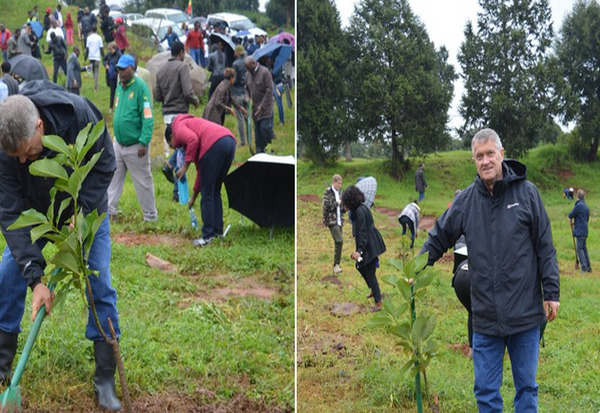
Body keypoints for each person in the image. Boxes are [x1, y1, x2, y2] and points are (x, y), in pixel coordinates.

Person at [0, 82, 121, 411]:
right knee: (8, 275)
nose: (23, 161)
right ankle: (2, 365)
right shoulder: (7, 146)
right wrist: (36, 280)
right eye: (16, 156)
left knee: (99, 282)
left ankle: (105, 378)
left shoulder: (78, 116)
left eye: (28, 152)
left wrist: (82, 211)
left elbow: (105, 164)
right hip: (37, 214)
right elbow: (11, 213)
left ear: (40, 126)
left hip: (84, 209)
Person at [420, 128, 560, 412]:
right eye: (479, 156)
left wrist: (551, 291)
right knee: (485, 392)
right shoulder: (466, 201)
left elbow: (545, 245)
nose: (485, 161)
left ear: (501, 154)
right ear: (474, 160)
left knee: (527, 389)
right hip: (485, 317)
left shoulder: (527, 193)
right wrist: (416, 268)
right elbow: (439, 236)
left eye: (490, 154)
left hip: (524, 314)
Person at [165, 115, 236, 246]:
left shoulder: (177, 128)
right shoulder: (193, 129)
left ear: (172, 137)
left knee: (208, 193)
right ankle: (217, 233)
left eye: (172, 146)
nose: (176, 149)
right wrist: (193, 197)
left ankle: (207, 236)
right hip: (229, 141)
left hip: (214, 143)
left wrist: (185, 166)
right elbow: (201, 173)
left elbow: (193, 139)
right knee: (214, 190)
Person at [107, 54, 157, 222]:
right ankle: (110, 211)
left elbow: (147, 116)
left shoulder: (140, 87)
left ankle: (150, 216)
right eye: (118, 69)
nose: (120, 72)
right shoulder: (120, 87)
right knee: (113, 177)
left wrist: (144, 141)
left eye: (123, 69)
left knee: (143, 181)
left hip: (136, 145)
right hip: (118, 143)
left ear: (132, 69)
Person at [154, 40, 199, 199]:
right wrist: (195, 101)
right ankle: (177, 191)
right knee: (182, 150)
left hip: (167, 114)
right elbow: (187, 91)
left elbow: (157, 96)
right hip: (180, 113)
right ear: (181, 53)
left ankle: (170, 167)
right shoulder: (182, 67)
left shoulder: (161, 70)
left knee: (180, 149)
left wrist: (168, 98)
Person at [342, 185, 386, 310]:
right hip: (369, 242)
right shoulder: (362, 208)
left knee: (370, 272)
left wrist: (360, 251)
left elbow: (363, 232)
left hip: (369, 244)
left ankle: (378, 301)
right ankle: (373, 289)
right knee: (360, 266)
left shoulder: (360, 212)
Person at [244, 56, 274, 154]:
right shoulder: (248, 74)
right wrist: (247, 97)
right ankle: (259, 153)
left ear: (254, 64)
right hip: (255, 108)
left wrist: (262, 106)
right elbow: (246, 88)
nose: (248, 70)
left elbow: (269, 90)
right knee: (257, 133)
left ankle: (269, 150)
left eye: (248, 68)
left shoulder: (265, 72)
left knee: (264, 129)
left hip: (265, 107)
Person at [322, 174, 345, 275]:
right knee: (339, 240)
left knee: (338, 242)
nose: (340, 185)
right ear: (334, 182)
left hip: (339, 220)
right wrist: (337, 203)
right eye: (339, 183)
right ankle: (336, 265)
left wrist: (345, 206)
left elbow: (342, 208)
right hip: (331, 221)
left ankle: (336, 265)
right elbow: (326, 206)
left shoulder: (340, 193)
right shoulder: (327, 192)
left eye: (341, 183)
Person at [569, 189, 591, 273]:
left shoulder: (578, 206)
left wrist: (574, 222)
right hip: (585, 230)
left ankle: (584, 268)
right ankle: (588, 267)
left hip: (580, 231)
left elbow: (570, 215)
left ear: (577, 196)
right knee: (584, 248)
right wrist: (576, 223)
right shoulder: (586, 206)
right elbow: (586, 219)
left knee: (579, 249)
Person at [231, 45, 248, 146]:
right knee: (247, 116)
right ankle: (249, 138)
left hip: (237, 92)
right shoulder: (247, 62)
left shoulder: (235, 64)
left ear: (237, 53)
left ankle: (242, 141)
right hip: (246, 92)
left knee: (240, 117)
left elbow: (235, 79)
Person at [85, 25, 104, 93]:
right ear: (96, 30)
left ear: (91, 30)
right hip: (97, 57)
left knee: (93, 70)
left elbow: (87, 49)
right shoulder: (99, 38)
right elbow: (101, 48)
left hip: (91, 56)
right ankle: (95, 86)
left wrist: (85, 57)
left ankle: (95, 84)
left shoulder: (88, 38)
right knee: (96, 71)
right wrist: (104, 56)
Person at [103, 42, 120, 110]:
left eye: (111, 49)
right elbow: (103, 60)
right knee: (112, 92)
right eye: (109, 50)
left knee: (118, 92)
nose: (110, 51)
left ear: (114, 48)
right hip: (111, 76)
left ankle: (118, 106)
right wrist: (106, 65)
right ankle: (111, 107)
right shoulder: (109, 55)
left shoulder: (119, 55)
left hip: (117, 76)